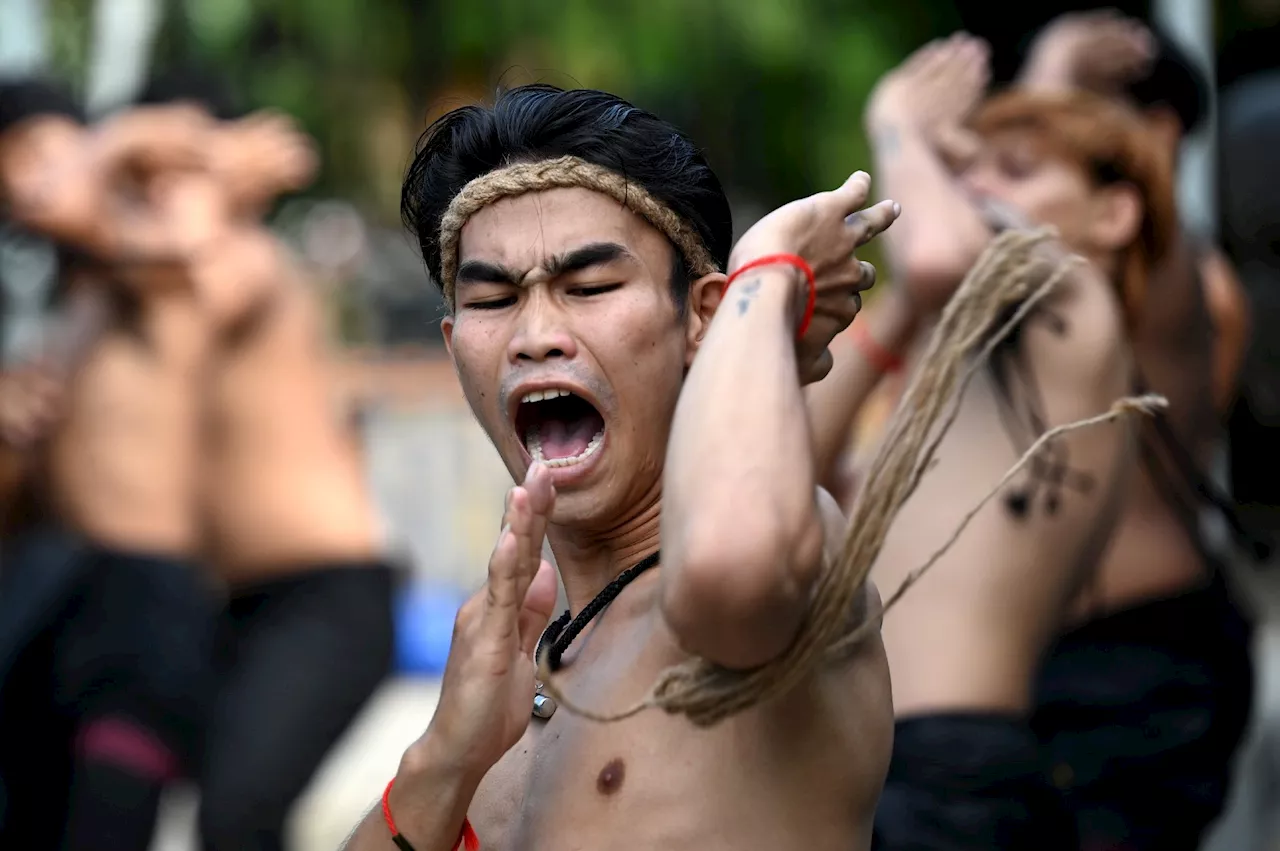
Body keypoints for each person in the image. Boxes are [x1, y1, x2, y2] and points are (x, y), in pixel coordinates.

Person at [341, 83, 897, 851]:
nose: (536, 335)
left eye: (590, 287)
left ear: (701, 315)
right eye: (494, 299)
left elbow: (730, 567)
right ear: (452, 344)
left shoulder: (793, 559)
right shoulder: (511, 676)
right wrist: (445, 756)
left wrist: (765, 282)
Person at [857, 35, 1173, 849]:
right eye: (970, 173)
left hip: (946, 771)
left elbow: (935, 250)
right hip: (872, 760)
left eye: (1017, 172)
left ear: (1114, 214)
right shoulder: (964, 357)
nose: (979, 190)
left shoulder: (1084, 306)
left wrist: (894, 122)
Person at [134, 76, 399, 851]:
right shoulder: (136, 283)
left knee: (237, 815)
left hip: (325, 602)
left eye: (178, 167)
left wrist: (211, 188)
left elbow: (198, 295)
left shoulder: (243, 258)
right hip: (233, 606)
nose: (161, 191)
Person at [1014, 14, 1258, 848]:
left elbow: (997, 223)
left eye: (1078, 121)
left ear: (1152, 135)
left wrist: (1049, 66)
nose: (1021, 169)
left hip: (1135, 658)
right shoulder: (1151, 266)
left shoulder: (1163, 263)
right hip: (1113, 654)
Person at [0, 84, 225, 851]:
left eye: (63, 150)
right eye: (23, 156)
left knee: (107, 828)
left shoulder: (148, 268)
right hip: (52, 597)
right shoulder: (53, 306)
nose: (45, 175)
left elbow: (62, 198)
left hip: (146, 609)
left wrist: (106, 149)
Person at [1019, 9, 1251, 417]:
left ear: (1158, 131)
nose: (1068, 132)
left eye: (1082, 112)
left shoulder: (1175, 270)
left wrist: (1052, 62)